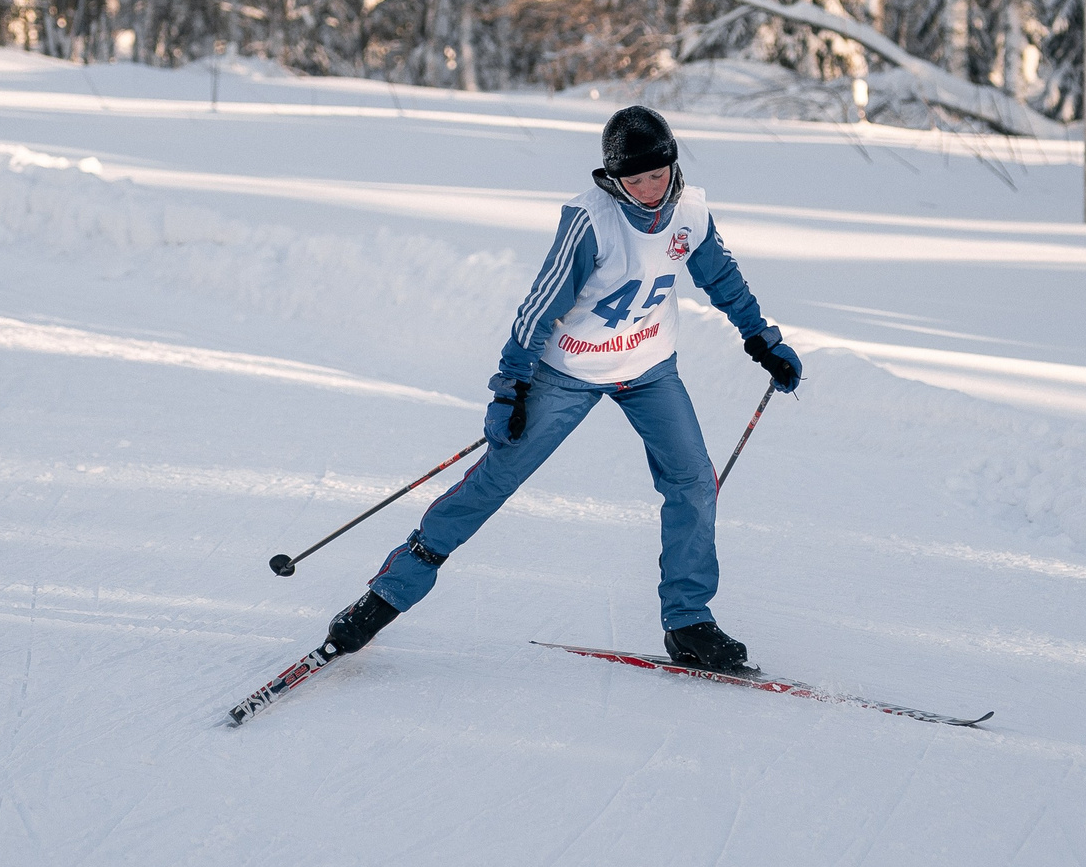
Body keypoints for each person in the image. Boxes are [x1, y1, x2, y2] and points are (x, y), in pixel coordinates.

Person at [320, 106, 803, 674]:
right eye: (636, 180)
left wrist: (761, 338)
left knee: (694, 482)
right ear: (613, 178)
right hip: (569, 370)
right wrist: (510, 388)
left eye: (659, 175)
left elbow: (722, 277)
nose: (651, 189)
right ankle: (384, 597)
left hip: (649, 368)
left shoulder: (691, 211)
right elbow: (539, 308)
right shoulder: (590, 221)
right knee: (494, 480)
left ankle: (689, 620)